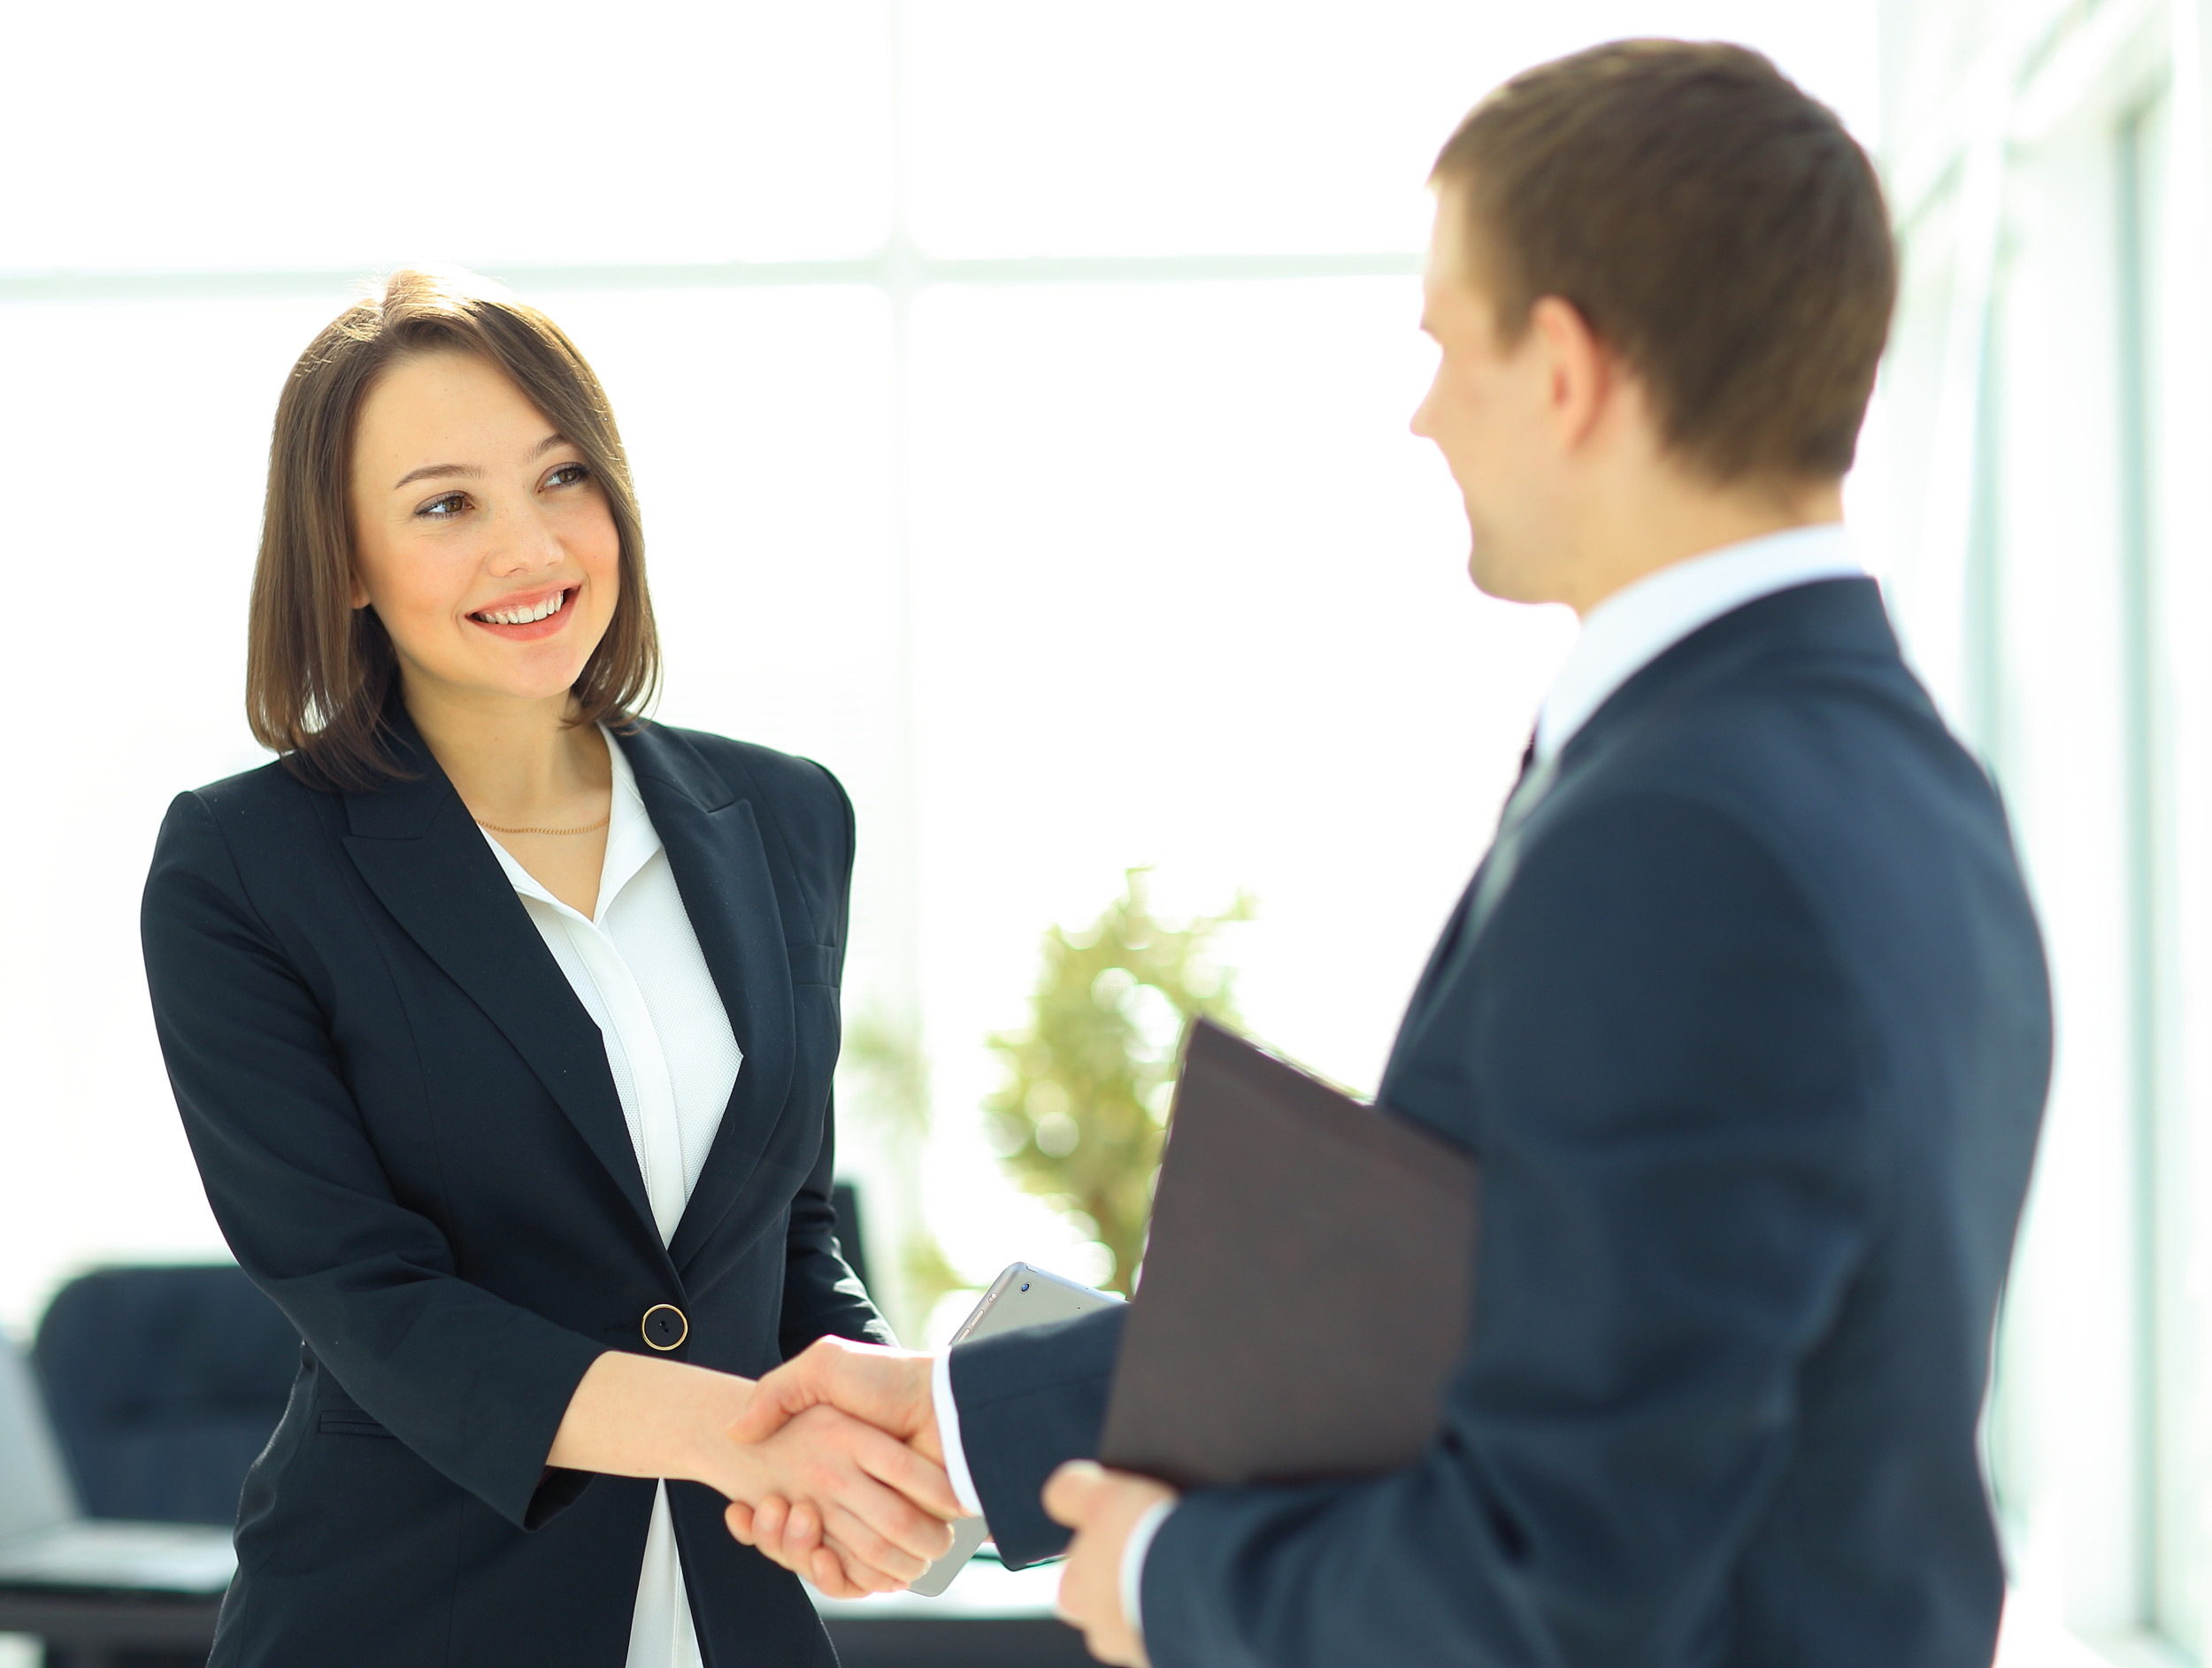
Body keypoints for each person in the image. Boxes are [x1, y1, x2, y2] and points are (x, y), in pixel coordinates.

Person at [726, 40, 2055, 1668]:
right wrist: (963, 1413)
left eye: (1447, 343)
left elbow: (1566, 1574)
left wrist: (1164, 1577)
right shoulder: (1887, 775)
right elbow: (1514, 1306)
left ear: (1563, 369)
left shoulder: (1682, 836)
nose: (1423, 413)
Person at [139, 269, 960, 1668]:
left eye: (562, 476)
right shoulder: (243, 863)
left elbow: (785, 1224)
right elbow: (370, 1300)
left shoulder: (786, 817)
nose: (531, 546)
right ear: (344, 559)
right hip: (402, 1614)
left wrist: (878, 1421)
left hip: (730, 1617)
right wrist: (761, 1439)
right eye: (446, 503)